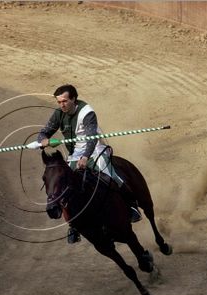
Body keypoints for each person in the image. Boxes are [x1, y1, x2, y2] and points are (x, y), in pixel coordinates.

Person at [38, 84, 142, 238]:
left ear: (74, 99)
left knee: (109, 173)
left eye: (65, 101)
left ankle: (131, 206)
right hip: (74, 154)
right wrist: (44, 140)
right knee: (63, 182)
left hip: (94, 150)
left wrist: (85, 157)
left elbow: (91, 139)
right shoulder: (59, 113)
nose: (62, 105)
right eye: (59, 102)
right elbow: (43, 133)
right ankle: (73, 223)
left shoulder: (87, 113)